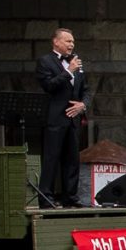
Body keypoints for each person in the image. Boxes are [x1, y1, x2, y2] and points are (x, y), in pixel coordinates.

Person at [38, 27, 88, 207]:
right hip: (54, 118)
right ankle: (46, 198)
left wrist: (83, 105)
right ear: (56, 42)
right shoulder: (45, 61)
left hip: (73, 119)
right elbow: (49, 86)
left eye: (73, 41)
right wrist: (68, 72)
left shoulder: (76, 63)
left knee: (72, 159)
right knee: (51, 158)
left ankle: (70, 197)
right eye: (68, 41)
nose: (71, 45)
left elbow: (86, 90)